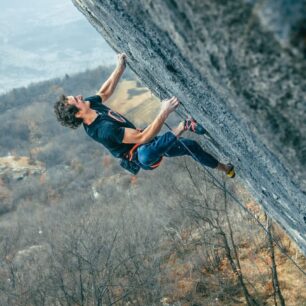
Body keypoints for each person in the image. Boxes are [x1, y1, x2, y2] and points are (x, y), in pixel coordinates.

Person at [54, 53, 235, 178]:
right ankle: (185, 125)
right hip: (142, 154)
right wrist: (164, 111)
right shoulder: (102, 130)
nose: (79, 96)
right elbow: (142, 137)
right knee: (146, 153)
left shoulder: (90, 105)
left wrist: (120, 67)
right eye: (75, 100)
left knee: (191, 146)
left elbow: (104, 92)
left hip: (148, 142)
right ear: (78, 113)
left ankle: (225, 168)